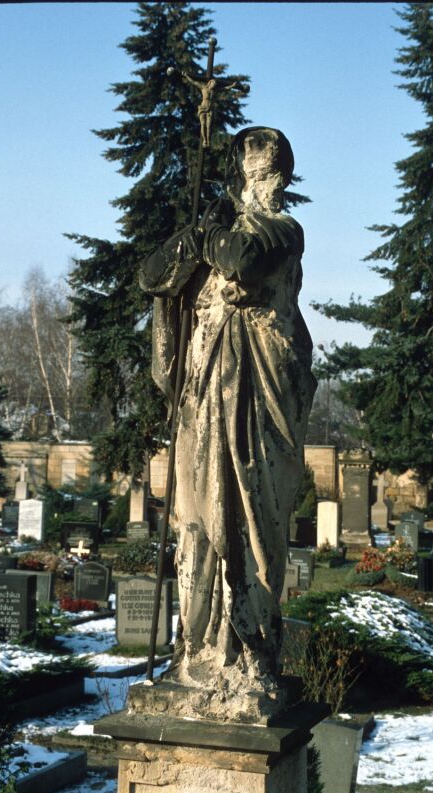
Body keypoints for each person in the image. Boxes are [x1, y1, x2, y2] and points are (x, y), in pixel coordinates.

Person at [139, 127, 316, 696]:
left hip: (258, 402)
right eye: (254, 174)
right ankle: (197, 648)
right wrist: (196, 234)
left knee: (252, 524)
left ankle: (249, 650)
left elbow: (242, 260)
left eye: (272, 174)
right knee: (196, 522)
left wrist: (207, 233)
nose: (265, 184)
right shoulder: (218, 231)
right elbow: (151, 276)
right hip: (205, 394)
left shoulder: (283, 230)